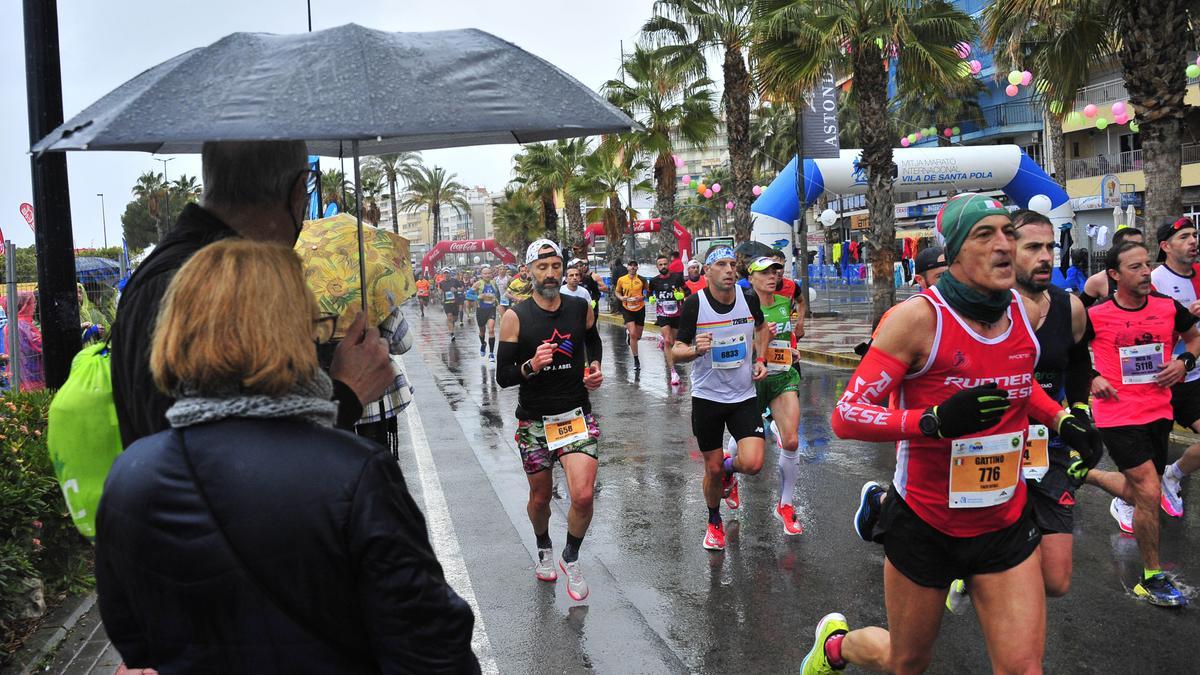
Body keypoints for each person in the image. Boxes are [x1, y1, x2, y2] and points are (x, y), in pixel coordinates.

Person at [95, 239, 478, 673]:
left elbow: (133, 639)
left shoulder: (129, 477)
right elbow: (434, 651)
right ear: (294, 328)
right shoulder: (356, 475)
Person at [807, 194, 1102, 675]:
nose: (1004, 244)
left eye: (1008, 232)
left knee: (1025, 669)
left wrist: (1063, 419)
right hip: (926, 524)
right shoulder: (918, 320)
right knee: (907, 663)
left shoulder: (1021, 317)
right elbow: (847, 415)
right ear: (957, 253)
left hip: (1004, 521)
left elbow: (1018, 385)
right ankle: (836, 647)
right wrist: (933, 421)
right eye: (986, 235)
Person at [111, 141, 392, 448]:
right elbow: (242, 460)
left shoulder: (172, 272)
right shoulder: (207, 288)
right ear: (299, 191)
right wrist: (347, 394)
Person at [937, 209, 1093, 611]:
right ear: (1006, 251)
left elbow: (1078, 361)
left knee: (1056, 581)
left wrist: (1078, 411)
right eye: (1033, 247)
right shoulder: (981, 312)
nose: (1045, 257)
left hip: (1048, 447)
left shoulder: (1069, 306)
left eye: (1050, 247)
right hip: (986, 447)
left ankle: (989, 574)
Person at [1083, 240, 1200, 607]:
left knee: (1143, 493)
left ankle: (1083, 474)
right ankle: (1152, 576)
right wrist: (1091, 377)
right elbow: (1067, 353)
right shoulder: (1096, 315)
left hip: (1158, 411)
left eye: (1147, 264)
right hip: (1116, 414)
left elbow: (1194, 337)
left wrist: (1184, 362)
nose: (1147, 271)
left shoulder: (1167, 308)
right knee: (1149, 490)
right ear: (1115, 275)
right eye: (1136, 267)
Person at [496, 239, 604, 602]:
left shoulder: (579, 307)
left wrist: (594, 368)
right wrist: (531, 366)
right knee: (540, 498)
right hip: (535, 422)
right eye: (542, 267)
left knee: (584, 494)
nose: (551, 274)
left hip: (575, 414)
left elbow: (593, 339)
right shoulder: (516, 317)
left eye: (556, 266)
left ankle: (570, 556)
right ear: (529, 272)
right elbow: (503, 375)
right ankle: (543, 545)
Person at [671, 245, 770, 551]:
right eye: (722, 265)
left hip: (743, 395)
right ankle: (714, 521)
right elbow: (676, 351)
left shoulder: (748, 297)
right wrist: (695, 350)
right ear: (707, 271)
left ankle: (731, 469)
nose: (730, 270)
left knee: (753, 463)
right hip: (708, 398)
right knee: (711, 469)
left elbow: (762, 327)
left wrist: (761, 358)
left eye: (732, 264)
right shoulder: (694, 305)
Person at [745, 256, 804, 535]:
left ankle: (786, 505)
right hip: (752, 381)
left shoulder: (783, 304)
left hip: (782, 376)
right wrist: (759, 340)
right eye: (765, 272)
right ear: (751, 278)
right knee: (740, 446)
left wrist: (792, 350)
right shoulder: (742, 308)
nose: (772, 276)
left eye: (775, 272)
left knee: (791, 440)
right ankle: (729, 474)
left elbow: (787, 336)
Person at [1148, 218, 1200, 517]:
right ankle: (1128, 502)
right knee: (1150, 458)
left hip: (1195, 377)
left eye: (1194, 235)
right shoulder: (1153, 280)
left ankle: (1174, 474)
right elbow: (1142, 334)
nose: (1193, 241)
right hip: (1162, 381)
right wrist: (1185, 319)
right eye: (1184, 236)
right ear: (1166, 246)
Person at [647, 253, 690, 386]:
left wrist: (681, 295)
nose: (663, 266)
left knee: (674, 342)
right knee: (668, 340)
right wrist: (651, 299)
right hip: (663, 314)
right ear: (657, 266)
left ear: (668, 265)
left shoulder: (677, 278)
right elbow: (648, 294)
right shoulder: (654, 281)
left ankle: (664, 344)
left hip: (676, 314)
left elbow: (687, 292)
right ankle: (673, 372)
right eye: (660, 265)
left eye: (665, 264)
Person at [1080, 227, 1143, 306]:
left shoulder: (1151, 275)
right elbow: (1079, 311)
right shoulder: (1099, 280)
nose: (1138, 249)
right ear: (1117, 248)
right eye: (1132, 246)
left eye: (1141, 245)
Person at [615, 260, 648, 370]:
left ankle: (631, 338)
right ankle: (636, 360)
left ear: (637, 268)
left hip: (640, 308)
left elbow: (648, 292)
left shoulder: (642, 279)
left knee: (637, 336)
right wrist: (621, 298)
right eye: (631, 266)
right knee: (633, 333)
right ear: (627, 267)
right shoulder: (621, 280)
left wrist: (642, 297)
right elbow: (617, 292)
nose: (633, 268)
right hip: (627, 308)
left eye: (635, 266)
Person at [472, 266, 501, 360]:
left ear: (491, 274)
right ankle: (483, 344)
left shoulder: (493, 283)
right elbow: (468, 295)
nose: (487, 275)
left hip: (491, 309)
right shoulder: (478, 284)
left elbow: (497, 295)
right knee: (482, 331)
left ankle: (491, 353)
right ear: (481, 275)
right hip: (481, 310)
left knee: (491, 330)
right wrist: (478, 297)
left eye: (489, 273)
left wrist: (497, 303)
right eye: (485, 273)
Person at [439, 269, 463, 338]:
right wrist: (440, 293)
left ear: (450, 274)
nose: (446, 274)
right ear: (443, 274)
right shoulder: (441, 283)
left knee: (454, 319)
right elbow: (439, 291)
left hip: (455, 302)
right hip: (447, 303)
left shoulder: (454, 281)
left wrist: (456, 290)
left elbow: (462, 288)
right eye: (445, 273)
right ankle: (452, 333)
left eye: (447, 273)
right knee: (449, 317)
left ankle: (452, 326)